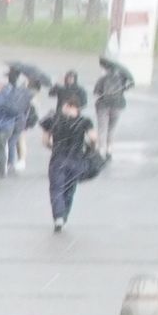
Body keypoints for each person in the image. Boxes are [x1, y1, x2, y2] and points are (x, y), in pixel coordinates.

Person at [41, 81, 98, 230]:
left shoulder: (52, 120)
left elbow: (45, 141)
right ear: (78, 108)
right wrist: (89, 148)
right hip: (76, 158)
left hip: (58, 159)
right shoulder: (84, 121)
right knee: (70, 189)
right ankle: (64, 215)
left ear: (66, 106)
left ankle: (58, 217)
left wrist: (53, 147)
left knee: (56, 188)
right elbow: (93, 138)